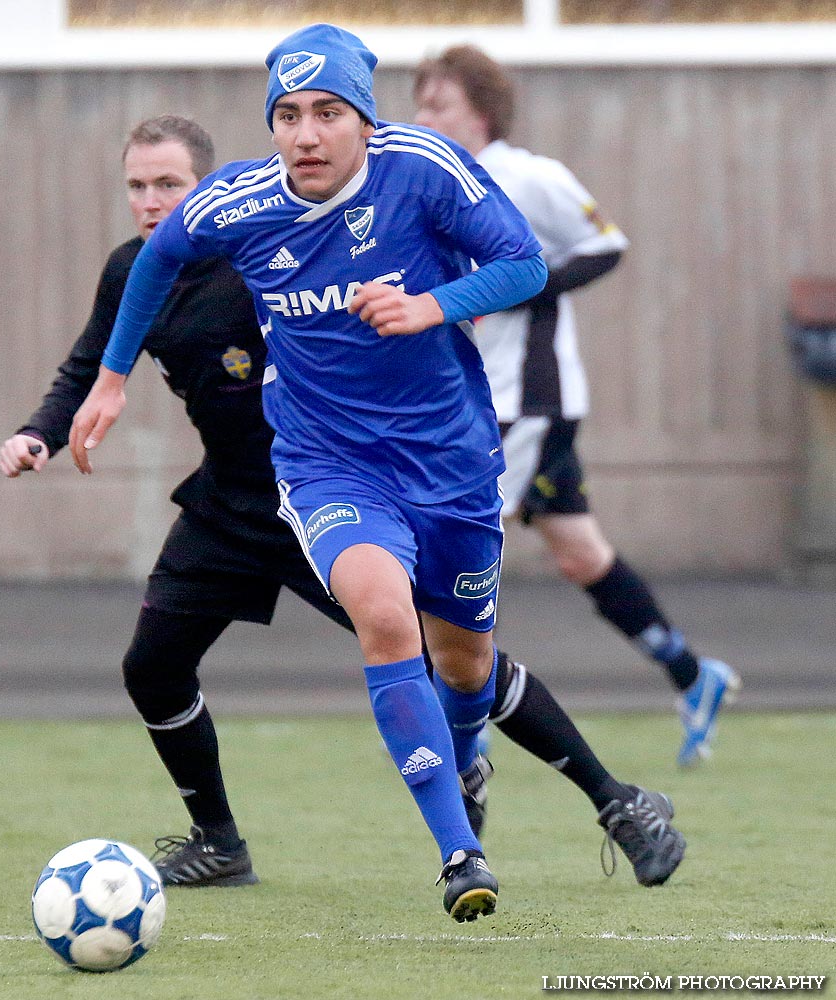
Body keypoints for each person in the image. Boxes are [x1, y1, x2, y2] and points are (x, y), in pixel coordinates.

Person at [65, 27, 683, 922]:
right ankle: (459, 855)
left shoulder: (424, 169)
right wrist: (112, 379)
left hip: (454, 465)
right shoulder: (238, 201)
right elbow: (156, 262)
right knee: (385, 620)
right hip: (327, 464)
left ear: (364, 120)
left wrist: (429, 304)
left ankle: (473, 759)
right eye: (286, 115)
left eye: (327, 114)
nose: (305, 134)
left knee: (466, 664)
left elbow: (521, 263)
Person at [413, 45, 741, 769]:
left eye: (439, 105)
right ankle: (694, 675)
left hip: (524, 399)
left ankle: (450, 719)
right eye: (421, 104)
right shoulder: (436, 183)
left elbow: (607, 243)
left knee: (451, 538)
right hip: (482, 396)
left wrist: (518, 284)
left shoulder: (528, 176)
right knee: (579, 551)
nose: (423, 117)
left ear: (483, 110)